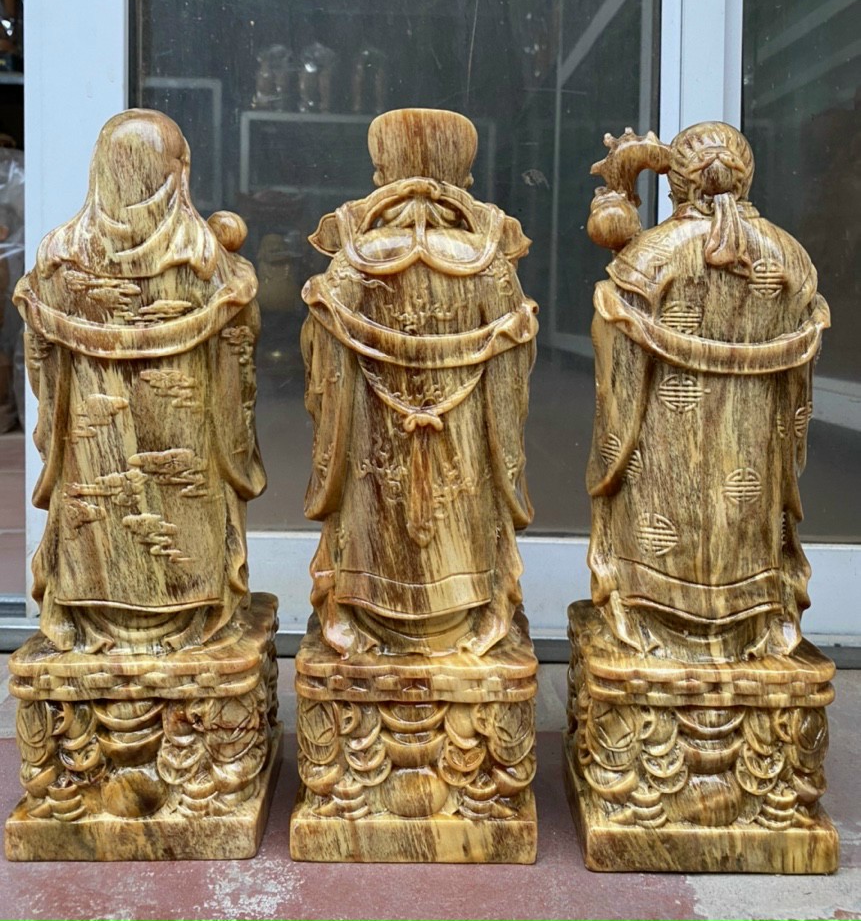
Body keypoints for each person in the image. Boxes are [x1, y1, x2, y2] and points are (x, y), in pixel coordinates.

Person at [14, 109, 265, 652]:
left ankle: (94, 613)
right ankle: (186, 614)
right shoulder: (207, 265)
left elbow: (40, 361)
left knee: (97, 503)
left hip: (90, 453)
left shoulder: (59, 262)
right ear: (179, 173)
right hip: (184, 451)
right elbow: (238, 362)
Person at [586, 122, 830, 660]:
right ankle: (752, 619)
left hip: (667, 441)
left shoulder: (651, 255)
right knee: (745, 514)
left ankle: (653, 611)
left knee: (660, 513)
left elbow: (618, 350)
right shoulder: (789, 257)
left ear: (677, 181)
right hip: (753, 434)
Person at [301, 108, 538, 656]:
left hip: (373, 449)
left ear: (381, 172)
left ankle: (361, 613)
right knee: (465, 502)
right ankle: (467, 613)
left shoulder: (354, 261)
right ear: (465, 175)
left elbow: (322, 370)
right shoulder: (490, 265)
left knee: (371, 505)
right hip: (462, 448)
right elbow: (512, 373)